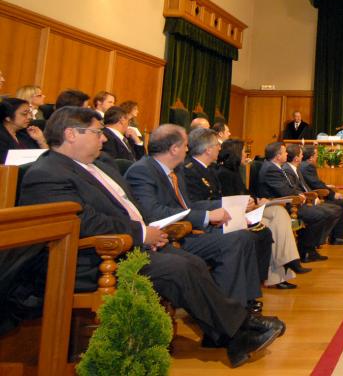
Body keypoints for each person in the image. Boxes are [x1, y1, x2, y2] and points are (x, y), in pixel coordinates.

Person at [17, 107, 284, 368]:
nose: (104, 138)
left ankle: (233, 333)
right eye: (98, 132)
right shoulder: (47, 173)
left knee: (191, 262)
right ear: (71, 134)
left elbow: (131, 209)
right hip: (93, 258)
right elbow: (83, 223)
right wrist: (143, 233)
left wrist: (147, 233)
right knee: (179, 267)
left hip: (133, 244)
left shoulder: (102, 166)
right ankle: (238, 332)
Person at [125, 124, 271, 313]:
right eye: (185, 145)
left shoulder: (174, 171)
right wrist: (206, 216)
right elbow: (154, 212)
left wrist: (223, 206)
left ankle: (243, 305)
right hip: (168, 236)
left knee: (243, 235)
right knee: (235, 240)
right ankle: (231, 313)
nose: (188, 150)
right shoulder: (142, 171)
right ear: (174, 149)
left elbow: (187, 206)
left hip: (186, 229)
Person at [183, 129, 308, 288]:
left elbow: (243, 194)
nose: (246, 154)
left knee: (279, 212)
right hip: (228, 215)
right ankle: (277, 271)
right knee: (267, 227)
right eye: (243, 151)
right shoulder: (217, 172)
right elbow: (220, 200)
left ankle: (288, 262)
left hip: (242, 209)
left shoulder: (223, 171)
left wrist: (254, 201)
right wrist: (247, 205)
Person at [256, 142, 335, 263]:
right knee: (319, 215)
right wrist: (299, 195)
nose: (287, 154)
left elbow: (288, 187)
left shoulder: (275, 166)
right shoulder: (270, 169)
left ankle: (309, 249)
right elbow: (284, 191)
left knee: (323, 212)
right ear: (278, 156)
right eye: (284, 152)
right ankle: (305, 251)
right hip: (283, 205)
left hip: (289, 202)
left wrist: (300, 194)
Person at [298, 145, 343, 245]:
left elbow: (312, 182)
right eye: (316, 155)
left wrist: (327, 186)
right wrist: (332, 194)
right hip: (313, 197)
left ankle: (335, 237)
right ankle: (339, 237)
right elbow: (316, 184)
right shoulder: (307, 166)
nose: (317, 157)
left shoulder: (303, 165)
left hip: (314, 194)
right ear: (311, 157)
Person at [0, 97, 48, 162]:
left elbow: (48, 159)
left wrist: (41, 140)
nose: (29, 117)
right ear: (8, 117)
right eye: (24, 114)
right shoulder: (2, 137)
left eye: (29, 113)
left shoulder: (25, 133)